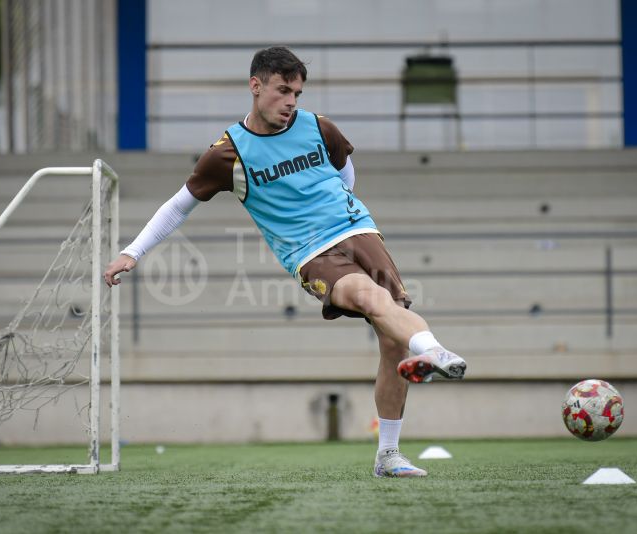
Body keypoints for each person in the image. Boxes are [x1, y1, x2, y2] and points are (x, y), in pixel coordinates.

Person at [104, 46, 466, 478]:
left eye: (296, 91)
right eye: (282, 91)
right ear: (256, 87)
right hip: (311, 254)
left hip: (360, 231)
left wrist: (344, 210)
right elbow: (178, 206)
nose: (291, 101)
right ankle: (434, 350)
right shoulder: (229, 153)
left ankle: (388, 454)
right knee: (371, 300)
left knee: (392, 340)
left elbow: (345, 172)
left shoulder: (318, 127)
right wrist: (132, 252)